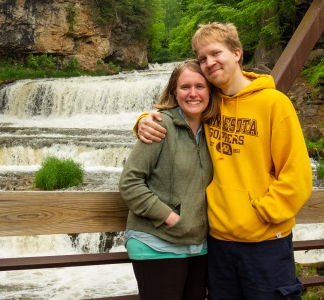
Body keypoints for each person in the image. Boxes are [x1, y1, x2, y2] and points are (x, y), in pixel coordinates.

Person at [136, 23, 313, 300]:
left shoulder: (274, 103)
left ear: (237, 53)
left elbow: (297, 175)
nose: (209, 62)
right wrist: (142, 121)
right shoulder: (210, 103)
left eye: (216, 53)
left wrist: (261, 214)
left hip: (265, 242)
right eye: (202, 58)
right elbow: (174, 114)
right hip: (217, 243)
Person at [119, 59, 217, 300]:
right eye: (185, 87)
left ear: (210, 91)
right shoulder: (158, 126)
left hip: (198, 245)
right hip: (156, 243)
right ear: (174, 91)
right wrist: (170, 217)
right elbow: (130, 182)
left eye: (200, 86)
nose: (193, 93)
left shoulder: (214, 130)